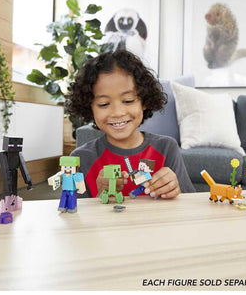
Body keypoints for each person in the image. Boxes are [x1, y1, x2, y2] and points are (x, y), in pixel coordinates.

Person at [67, 50, 195, 199]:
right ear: (90, 108)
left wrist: (174, 189)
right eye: (103, 104)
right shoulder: (81, 158)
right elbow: (74, 210)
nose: (117, 112)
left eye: (128, 101)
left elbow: (190, 203)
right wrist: (100, 195)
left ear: (144, 101)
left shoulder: (166, 148)